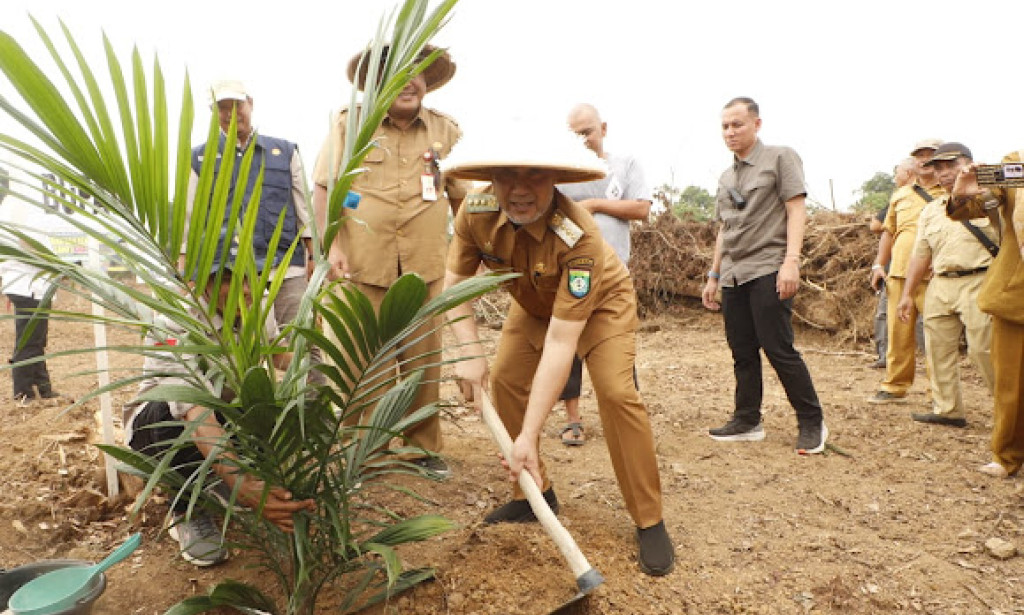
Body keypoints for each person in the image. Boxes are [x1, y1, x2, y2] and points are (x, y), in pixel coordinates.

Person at [438, 117, 675, 577]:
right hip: (533, 303)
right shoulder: (476, 212)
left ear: (556, 180)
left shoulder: (579, 235)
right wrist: (468, 352)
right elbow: (452, 287)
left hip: (601, 306)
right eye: (508, 175)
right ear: (492, 179)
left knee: (615, 394)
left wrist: (528, 435)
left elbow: (562, 343)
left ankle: (650, 519)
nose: (519, 190)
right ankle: (536, 493)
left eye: (535, 176)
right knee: (505, 380)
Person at [312, 46, 466, 477]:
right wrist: (331, 246)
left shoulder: (445, 131)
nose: (410, 81)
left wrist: (469, 258)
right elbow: (324, 188)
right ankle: (362, 455)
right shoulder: (350, 124)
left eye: (418, 73)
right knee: (358, 366)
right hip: (359, 266)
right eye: (399, 72)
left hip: (426, 267)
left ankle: (422, 449)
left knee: (423, 361)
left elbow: (463, 198)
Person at [124, 241, 316, 566]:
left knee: (266, 401)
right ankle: (188, 509)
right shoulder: (172, 323)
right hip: (161, 429)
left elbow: (276, 352)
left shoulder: (256, 303)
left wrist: (307, 351)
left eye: (249, 275)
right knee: (172, 414)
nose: (245, 288)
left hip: (223, 415)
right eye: (229, 278)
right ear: (200, 283)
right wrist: (241, 484)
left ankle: (218, 480)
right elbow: (193, 412)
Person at [702, 97, 827, 454]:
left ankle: (811, 421)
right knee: (742, 350)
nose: (730, 132)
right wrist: (713, 275)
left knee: (778, 347)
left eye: (737, 124)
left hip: (769, 265)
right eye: (725, 126)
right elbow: (724, 231)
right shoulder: (727, 177)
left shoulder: (780, 157)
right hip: (734, 275)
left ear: (757, 124)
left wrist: (792, 262)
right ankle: (747, 419)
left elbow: (796, 209)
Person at [553, 103, 652, 446]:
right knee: (567, 345)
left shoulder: (625, 166)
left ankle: (625, 419)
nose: (581, 140)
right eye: (574, 134)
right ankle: (573, 420)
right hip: (569, 274)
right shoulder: (560, 172)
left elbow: (641, 207)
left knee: (618, 343)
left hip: (615, 276)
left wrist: (593, 206)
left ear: (603, 129)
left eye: (587, 132)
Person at [187, 79, 313, 327]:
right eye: (222, 107)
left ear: (250, 104)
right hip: (228, 276)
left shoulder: (285, 151)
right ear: (213, 113)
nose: (230, 113)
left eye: (236, 105)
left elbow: (304, 211)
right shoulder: (200, 158)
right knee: (241, 353)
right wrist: (188, 274)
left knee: (301, 344)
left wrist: (314, 259)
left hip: (285, 268)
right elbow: (189, 220)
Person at [897, 142, 995, 428]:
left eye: (951, 166)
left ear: (968, 165)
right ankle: (948, 409)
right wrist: (907, 293)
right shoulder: (931, 210)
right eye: (938, 169)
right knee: (937, 348)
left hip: (980, 279)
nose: (944, 174)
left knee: (983, 350)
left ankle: (1008, 409)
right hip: (940, 283)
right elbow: (920, 254)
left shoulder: (990, 200)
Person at [948, 148, 1024, 478]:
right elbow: (975, 204)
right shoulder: (1016, 164)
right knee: (1011, 384)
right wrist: (962, 194)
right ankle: (1007, 454)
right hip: (1017, 293)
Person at [867, 139, 944, 404]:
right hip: (898, 273)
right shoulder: (900, 194)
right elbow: (888, 232)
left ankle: (940, 393)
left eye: (930, 155)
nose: (924, 160)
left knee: (936, 336)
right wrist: (879, 265)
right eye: (919, 156)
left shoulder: (950, 193)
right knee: (897, 333)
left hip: (935, 275)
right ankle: (895, 385)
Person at [869, 157, 919, 369]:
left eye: (897, 172)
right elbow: (885, 230)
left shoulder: (939, 197)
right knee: (891, 316)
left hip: (920, 270)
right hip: (895, 268)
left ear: (908, 173)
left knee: (894, 315)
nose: (895, 177)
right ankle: (891, 365)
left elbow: (875, 225)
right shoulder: (899, 198)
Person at [0, 241, 60, 402]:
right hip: (30, 288)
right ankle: (23, 392)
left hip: (31, 288)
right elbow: (30, 247)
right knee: (29, 342)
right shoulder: (24, 219)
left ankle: (42, 387)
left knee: (36, 341)